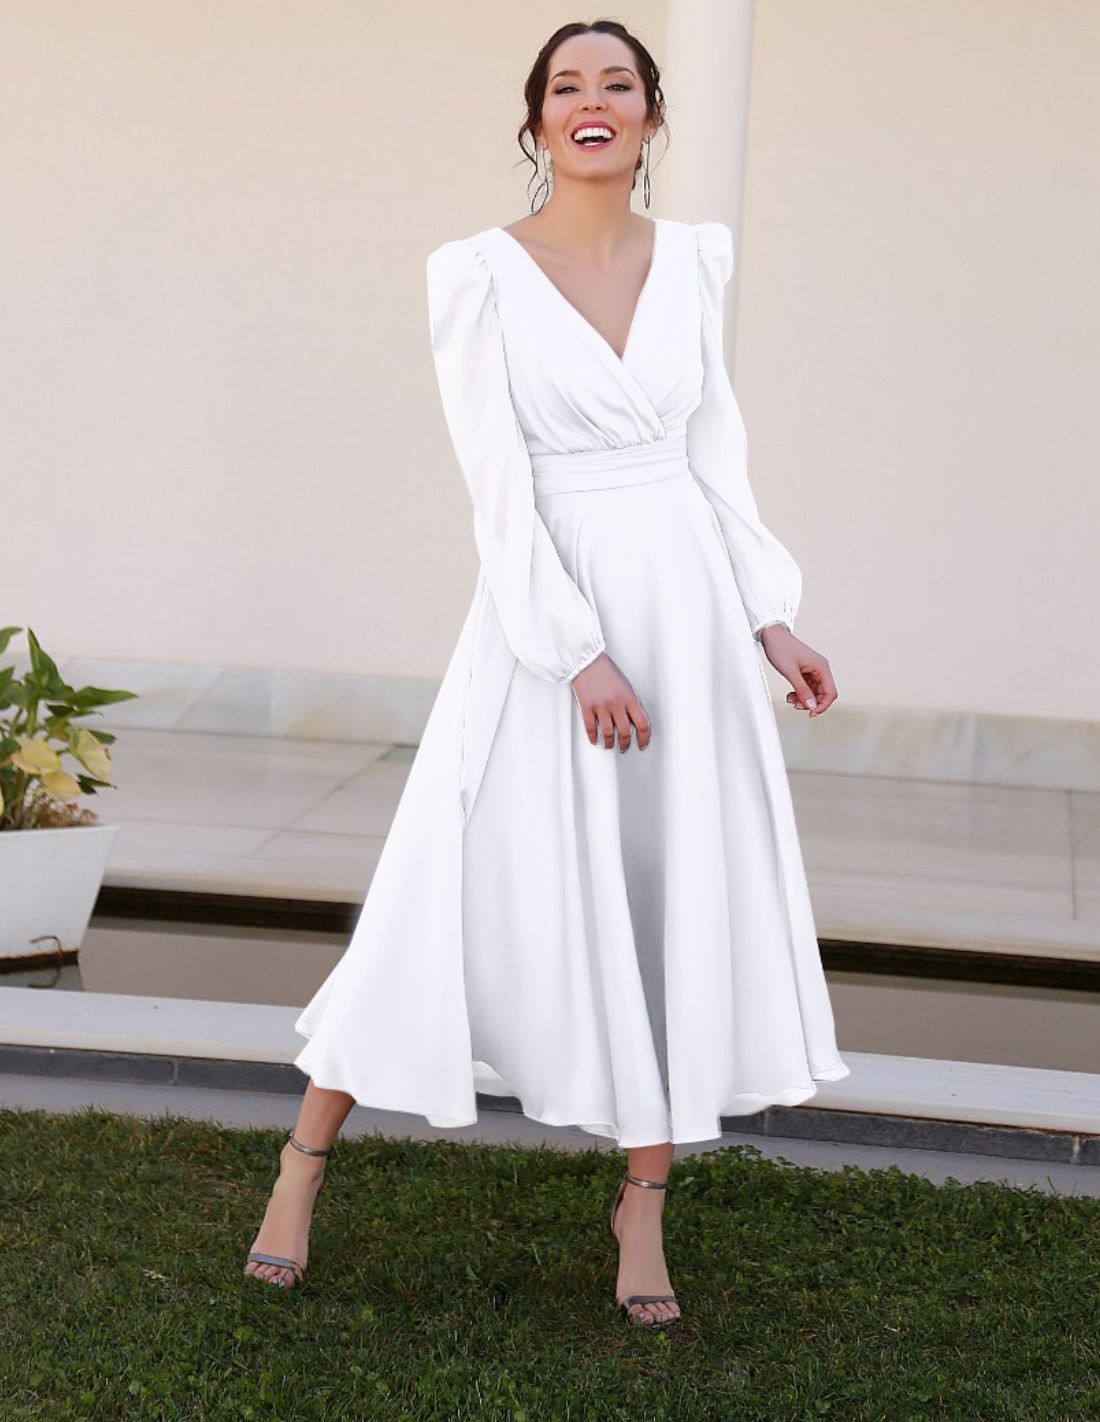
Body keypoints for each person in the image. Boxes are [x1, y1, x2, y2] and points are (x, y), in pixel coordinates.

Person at [244, 18, 848, 1331]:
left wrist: (770, 618)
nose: (594, 101)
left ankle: (645, 1205)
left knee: (662, 896)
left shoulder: (697, 259)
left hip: (687, 613)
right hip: (547, 621)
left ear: (649, 117)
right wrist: (574, 649)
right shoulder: (476, 273)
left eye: (618, 84)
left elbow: (716, 457)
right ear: (537, 123)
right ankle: (301, 1164)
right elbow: (497, 484)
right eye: (568, 85)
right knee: (446, 890)